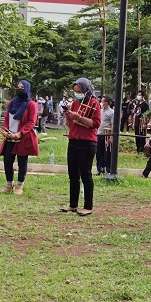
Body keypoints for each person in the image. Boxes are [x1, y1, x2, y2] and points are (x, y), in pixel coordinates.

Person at [62, 78, 101, 216]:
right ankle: (73, 204)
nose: (77, 94)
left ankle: (88, 206)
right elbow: (70, 124)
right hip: (73, 141)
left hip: (87, 142)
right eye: (75, 91)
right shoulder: (74, 103)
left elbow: (95, 123)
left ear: (87, 90)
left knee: (86, 174)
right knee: (73, 174)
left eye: (80, 91)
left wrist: (78, 117)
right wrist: (68, 116)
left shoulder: (94, 104)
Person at [0, 80, 39, 195]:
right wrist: (5, 129)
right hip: (10, 136)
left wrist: (20, 133)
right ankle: (9, 184)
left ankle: (19, 185)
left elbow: (31, 121)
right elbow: (7, 118)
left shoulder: (31, 104)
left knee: (22, 161)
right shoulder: (12, 103)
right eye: (18, 87)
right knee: (7, 160)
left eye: (22, 87)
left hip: (22, 137)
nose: (19, 89)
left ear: (26, 89)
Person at [96, 97, 114, 176]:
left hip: (106, 135)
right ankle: (100, 169)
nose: (101, 103)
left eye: (102, 101)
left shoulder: (111, 112)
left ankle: (108, 169)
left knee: (107, 152)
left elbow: (112, 125)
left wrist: (111, 136)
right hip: (99, 134)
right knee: (98, 152)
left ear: (106, 103)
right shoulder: (100, 111)